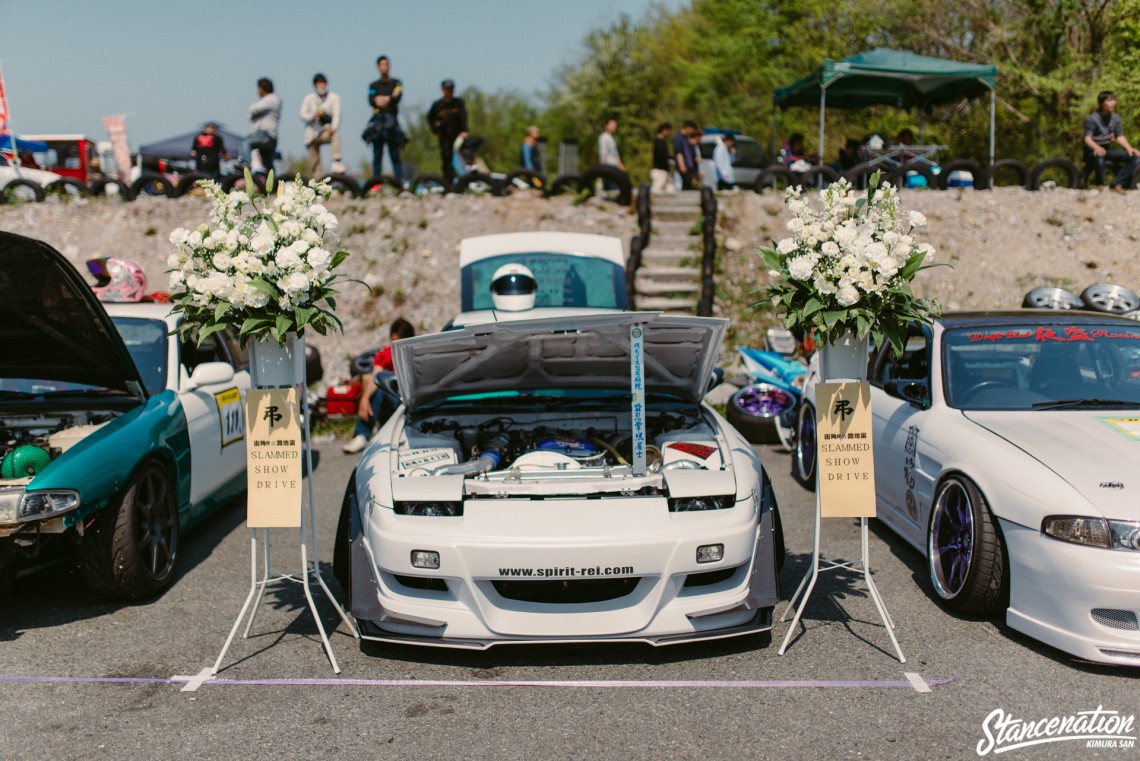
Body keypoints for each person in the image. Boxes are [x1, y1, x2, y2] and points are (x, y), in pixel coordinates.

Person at [343, 317, 416, 454]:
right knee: (380, 385)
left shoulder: (416, 352)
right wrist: (364, 399)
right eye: (394, 342)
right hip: (395, 400)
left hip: (412, 402)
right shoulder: (386, 354)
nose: (396, 347)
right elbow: (376, 377)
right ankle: (362, 434)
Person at [1083, 90, 1140, 192]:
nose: (1113, 103)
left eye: (1114, 100)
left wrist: (1129, 148)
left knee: (1135, 158)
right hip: (1092, 151)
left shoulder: (1115, 118)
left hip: (1107, 150)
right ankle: (1099, 184)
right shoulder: (1092, 119)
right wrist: (1096, 147)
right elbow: (1087, 138)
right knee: (1100, 155)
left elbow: (1120, 136)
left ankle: (1117, 183)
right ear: (1101, 103)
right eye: (1109, 100)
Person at [366, 55, 404, 180]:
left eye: (386, 64)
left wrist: (384, 99)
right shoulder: (373, 85)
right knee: (377, 155)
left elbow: (397, 97)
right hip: (377, 123)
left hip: (392, 122)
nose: (384, 67)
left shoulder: (396, 82)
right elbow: (371, 100)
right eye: (382, 64)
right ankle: (376, 184)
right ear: (378, 67)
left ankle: (400, 183)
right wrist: (388, 97)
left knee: (395, 154)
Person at [299, 73, 344, 178]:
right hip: (311, 135)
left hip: (325, 131)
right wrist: (313, 115)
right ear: (315, 85)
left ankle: (336, 162)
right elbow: (302, 115)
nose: (322, 86)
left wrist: (333, 127)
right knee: (315, 164)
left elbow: (337, 114)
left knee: (335, 135)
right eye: (319, 84)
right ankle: (318, 184)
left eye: (323, 84)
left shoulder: (334, 97)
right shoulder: (309, 98)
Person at [427, 79, 468, 184]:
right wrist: (435, 130)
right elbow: (430, 119)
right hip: (444, 136)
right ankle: (448, 183)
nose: (449, 91)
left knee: (465, 158)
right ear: (442, 90)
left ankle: (466, 180)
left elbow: (464, 117)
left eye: (451, 89)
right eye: (447, 89)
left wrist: (465, 131)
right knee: (446, 159)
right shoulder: (437, 105)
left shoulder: (459, 103)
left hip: (458, 136)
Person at [240, 78, 281, 174]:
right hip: (268, 136)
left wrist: (254, 112)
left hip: (265, 135)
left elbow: (253, 109)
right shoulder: (268, 101)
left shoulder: (272, 99)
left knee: (246, 143)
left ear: (261, 89)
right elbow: (250, 116)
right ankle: (274, 184)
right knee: (268, 165)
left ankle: (246, 165)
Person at [673, 120, 699, 190]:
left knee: (689, 186)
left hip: (688, 168)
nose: (692, 132)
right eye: (692, 130)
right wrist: (682, 165)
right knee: (685, 186)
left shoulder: (685, 138)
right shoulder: (678, 138)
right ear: (688, 128)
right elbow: (679, 153)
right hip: (683, 167)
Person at [650, 122, 673, 193]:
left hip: (664, 170)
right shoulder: (658, 141)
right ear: (664, 130)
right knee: (656, 189)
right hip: (660, 170)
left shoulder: (662, 141)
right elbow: (661, 155)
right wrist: (670, 158)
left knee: (670, 189)